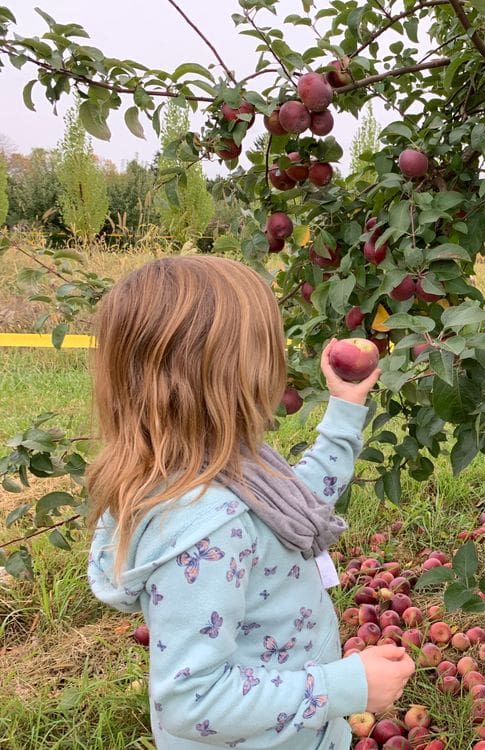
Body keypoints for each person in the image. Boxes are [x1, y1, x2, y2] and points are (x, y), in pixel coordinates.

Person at [86, 256, 414, 749]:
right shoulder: (205, 531)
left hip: (294, 725)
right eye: (267, 347)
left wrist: (345, 407)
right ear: (228, 374)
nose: (278, 360)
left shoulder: (222, 468)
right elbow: (191, 701)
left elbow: (300, 501)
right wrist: (346, 686)